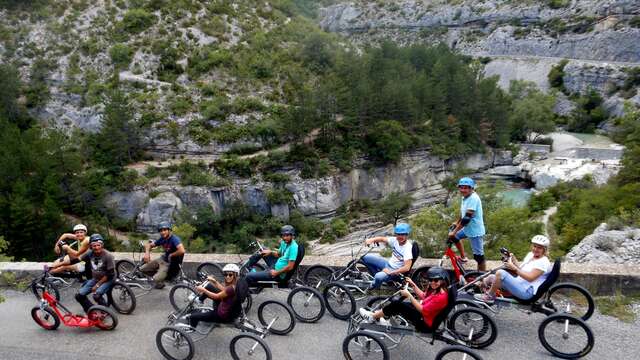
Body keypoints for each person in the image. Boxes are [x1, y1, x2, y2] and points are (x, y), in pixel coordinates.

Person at [359, 267, 450, 332]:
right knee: (398, 304)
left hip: (425, 324)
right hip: (424, 316)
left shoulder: (441, 297)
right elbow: (423, 296)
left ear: (442, 280)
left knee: (397, 305)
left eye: (436, 280)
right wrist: (412, 284)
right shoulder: (436, 290)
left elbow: (423, 310)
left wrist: (409, 295)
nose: (432, 283)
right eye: (431, 280)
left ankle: (372, 317)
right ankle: (380, 316)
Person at [475, 235, 551, 304]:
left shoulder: (543, 262)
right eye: (534, 246)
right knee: (491, 277)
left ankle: (489, 297)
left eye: (539, 248)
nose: (535, 249)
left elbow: (530, 278)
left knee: (500, 273)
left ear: (544, 249)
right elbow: (522, 269)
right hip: (520, 284)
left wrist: (514, 268)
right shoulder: (531, 255)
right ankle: (476, 287)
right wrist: (514, 260)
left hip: (527, 292)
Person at [448, 177, 486, 271]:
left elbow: (467, 218)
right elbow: (463, 213)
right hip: (468, 228)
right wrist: (456, 222)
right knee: (454, 237)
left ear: (471, 188)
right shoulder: (465, 197)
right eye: (461, 187)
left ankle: (481, 277)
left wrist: (455, 230)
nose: (463, 190)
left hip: (475, 231)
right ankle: (463, 258)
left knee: (479, 257)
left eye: (466, 188)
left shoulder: (473, 198)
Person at [361, 223, 414, 289]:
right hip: (387, 264)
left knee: (378, 276)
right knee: (365, 257)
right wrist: (371, 240)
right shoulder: (395, 240)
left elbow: (407, 268)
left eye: (403, 234)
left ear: (407, 235)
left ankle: (375, 286)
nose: (400, 236)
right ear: (396, 234)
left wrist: (391, 272)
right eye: (398, 234)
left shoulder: (407, 248)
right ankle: (381, 277)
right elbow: (382, 239)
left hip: (395, 271)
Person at [186, 263, 240, 328]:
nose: (227, 276)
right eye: (225, 274)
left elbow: (216, 296)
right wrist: (214, 281)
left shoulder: (230, 288)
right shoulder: (235, 284)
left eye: (230, 275)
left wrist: (203, 290)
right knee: (209, 286)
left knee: (193, 316)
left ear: (235, 275)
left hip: (221, 315)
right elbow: (224, 290)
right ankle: (200, 300)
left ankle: (191, 328)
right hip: (227, 308)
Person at [75, 234, 115, 313]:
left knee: (96, 296)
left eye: (98, 245)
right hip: (96, 278)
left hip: (108, 278)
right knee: (79, 296)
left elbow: (110, 274)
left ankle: (106, 312)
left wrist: (97, 285)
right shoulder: (90, 253)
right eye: (94, 246)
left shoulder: (108, 256)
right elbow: (77, 259)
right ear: (91, 247)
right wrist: (63, 264)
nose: (96, 247)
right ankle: (91, 310)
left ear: (102, 245)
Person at [141, 221, 185, 289]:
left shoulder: (174, 239)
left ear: (169, 230)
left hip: (169, 264)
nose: (163, 232)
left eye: (165, 230)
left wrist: (171, 254)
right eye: (161, 230)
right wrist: (147, 254)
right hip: (161, 259)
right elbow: (148, 245)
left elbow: (182, 250)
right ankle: (160, 276)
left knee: (155, 279)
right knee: (142, 269)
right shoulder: (162, 239)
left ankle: (160, 279)